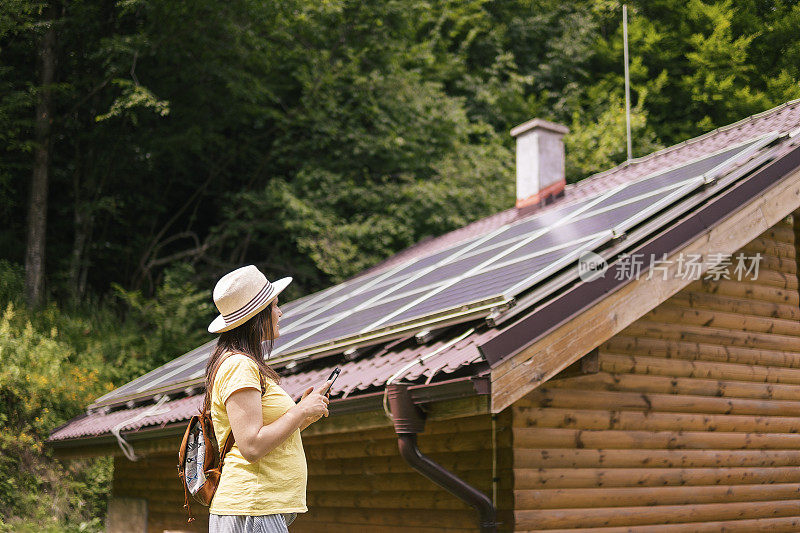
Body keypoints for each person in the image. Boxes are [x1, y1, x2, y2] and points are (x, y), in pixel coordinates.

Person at [204, 265, 331, 532]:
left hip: (258, 508)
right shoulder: (239, 365)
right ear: (256, 316)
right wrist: (299, 412)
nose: (280, 312)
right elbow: (251, 447)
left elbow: (265, 438)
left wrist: (304, 414)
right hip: (253, 506)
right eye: (274, 306)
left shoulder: (242, 363)